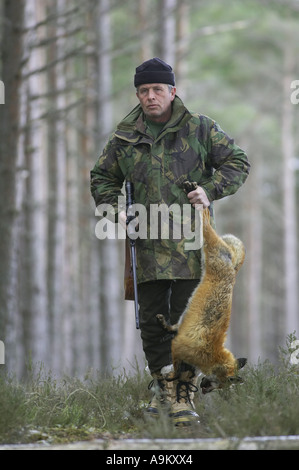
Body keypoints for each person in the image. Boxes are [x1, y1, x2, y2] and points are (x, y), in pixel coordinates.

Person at [90, 57, 250, 426]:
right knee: (150, 322)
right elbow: (102, 177)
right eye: (144, 91)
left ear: (172, 91)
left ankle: (183, 395)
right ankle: (162, 386)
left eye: (157, 89)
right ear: (138, 94)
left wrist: (209, 190)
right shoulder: (124, 136)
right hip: (144, 247)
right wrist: (115, 211)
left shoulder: (200, 128)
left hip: (192, 246)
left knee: (187, 322)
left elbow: (238, 163)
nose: (150, 96)